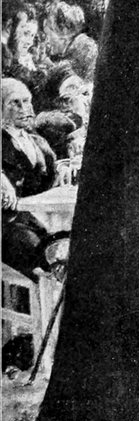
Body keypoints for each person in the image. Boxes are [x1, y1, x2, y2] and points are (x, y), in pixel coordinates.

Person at [2, 78, 67, 280]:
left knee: (65, 246)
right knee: (44, 256)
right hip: (8, 225)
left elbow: (50, 179)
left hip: (37, 220)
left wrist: (63, 171)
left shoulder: (38, 142)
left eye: (26, 101)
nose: (24, 108)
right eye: (15, 103)